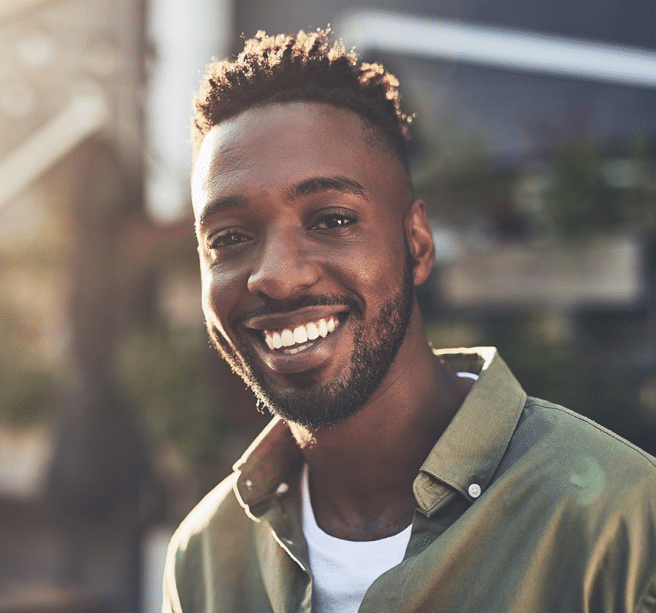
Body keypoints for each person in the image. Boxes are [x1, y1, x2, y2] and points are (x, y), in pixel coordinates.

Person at [162, 29, 656, 613]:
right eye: (229, 237)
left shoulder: (621, 522)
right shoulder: (204, 556)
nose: (275, 276)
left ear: (416, 244)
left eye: (331, 219)